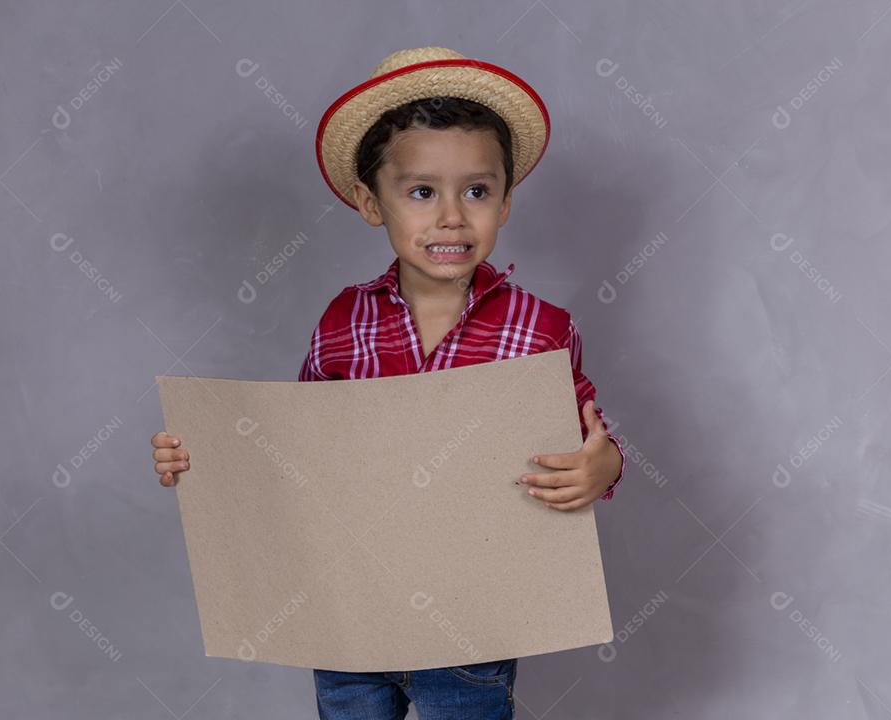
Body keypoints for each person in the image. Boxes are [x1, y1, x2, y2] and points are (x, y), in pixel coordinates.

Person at [149, 46, 626, 719]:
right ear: (372, 203)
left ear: (507, 203)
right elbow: (292, 454)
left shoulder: (540, 328)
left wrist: (603, 465)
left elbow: (591, 439)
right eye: (422, 191)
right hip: (350, 618)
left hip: (473, 624)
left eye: (478, 191)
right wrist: (203, 458)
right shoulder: (343, 323)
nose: (452, 216)